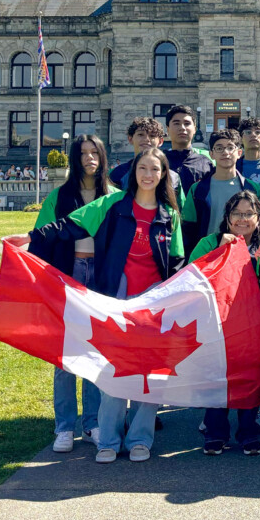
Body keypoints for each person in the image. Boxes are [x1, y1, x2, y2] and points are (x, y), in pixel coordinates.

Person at [28, 147, 185, 464]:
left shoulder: (169, 215)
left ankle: (140, 439)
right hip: (114, 300)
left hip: (152, 305)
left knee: (148, 374)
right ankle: (109, 441)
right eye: (142, 168)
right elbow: (71, 225)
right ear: (133, 173)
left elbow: (177, 262)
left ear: (163, 175)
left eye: (155, 169)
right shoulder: (113, 204)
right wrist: (30, 238)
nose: (148, 175)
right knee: (112, 370)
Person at [30, 135, 116, 453]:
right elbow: (41, 238)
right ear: (74, 158)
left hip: (102, 277)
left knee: (96, 349)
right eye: (82, 153)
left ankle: (92, 423)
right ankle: (65, 426)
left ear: (103, 157)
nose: (89, 158)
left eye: (95, 152)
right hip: (69, 274)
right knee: (65, 354)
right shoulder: (59, 196)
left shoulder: (114, 197)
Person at [189, 190, 260, 456]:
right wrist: (218, 252)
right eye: (237, 213)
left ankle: (248, 433)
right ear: (227, 217)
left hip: (253, 326)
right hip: (217, 324)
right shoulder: (209, 242)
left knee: (250, 378)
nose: (242, 219)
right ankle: (216, 433)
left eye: (249, 213)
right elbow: (190, 279)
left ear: (258, 218)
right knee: (218, 378)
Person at [182, 129, 260, 252]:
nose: (225, 152)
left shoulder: (252, 188)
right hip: (208, 254)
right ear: (211, 154)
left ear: (239, 152)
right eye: (219, 148)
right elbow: (188, 228)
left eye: (230, 148)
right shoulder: (198, 189)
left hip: (245, 254)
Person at [110, 118, 181, 194]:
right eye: (141, 134)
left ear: (160, 141)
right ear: (130, 139)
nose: (146, 139)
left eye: (152, 135)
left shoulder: (172, 177)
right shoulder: (118, 173)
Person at [164, 105, 214, 188]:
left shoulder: (205, 163)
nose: (182, 128)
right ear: (168, 129)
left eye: (187, 123)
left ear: (195, 129)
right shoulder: (159, 161)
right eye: (176, 123)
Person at [236, 117, 260, 189]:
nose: (253, 135)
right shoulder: (233, 167)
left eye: (258, 132)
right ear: (241, 139)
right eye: (248, 132)